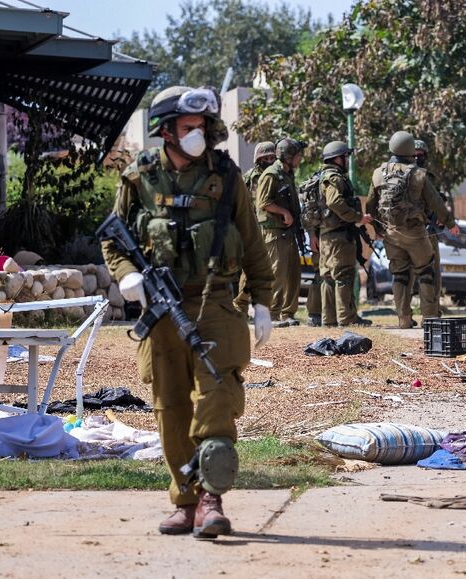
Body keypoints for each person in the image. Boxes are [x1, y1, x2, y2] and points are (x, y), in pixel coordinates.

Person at [101, 85, 274, 539]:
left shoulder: (226, 176)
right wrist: (125, 276)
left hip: (215, 301)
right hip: (160, 311)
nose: (197, 134)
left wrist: (261, 301)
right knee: (170, 406)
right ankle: (185, 500)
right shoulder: (139, 178)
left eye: (201, 126)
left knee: (216, 397)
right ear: (166, 132)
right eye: (187, 127)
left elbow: (253, 243)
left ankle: (212, 499)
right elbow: (112, 239)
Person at [366, 131, 459, 329]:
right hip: (416, 234)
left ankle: (404, 319)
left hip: (391, 234)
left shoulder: (378, 173)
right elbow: (435, 202)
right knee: (426, 272)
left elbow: (370, 206)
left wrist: (378, 229)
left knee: (399, 276)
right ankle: (430, 319)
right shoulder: (418, 174)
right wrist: (451, 223)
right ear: (409, 150)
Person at [317, 140, 373, 327]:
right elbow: (334, 202)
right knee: (343, 276)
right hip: (339, 237)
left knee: (328, 278)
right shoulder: (334, 178)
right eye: (345, 157)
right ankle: (346, 318)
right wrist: (357, 217)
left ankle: (329, 319)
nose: (347, 161)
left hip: (327, 235)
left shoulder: (322, 177)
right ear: (337, 159)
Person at [256, 138, 304, 327]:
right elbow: (263, 202)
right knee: (277, 273)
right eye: (298, 156)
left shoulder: (287, 175)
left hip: (288, 232)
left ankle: (288, 313)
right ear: (288, 156)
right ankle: (271, 314)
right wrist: (283, 212)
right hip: (274, 232)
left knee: (293, 272)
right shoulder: (271, 175)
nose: (300, 161)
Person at [233, 140, 276, 313]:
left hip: (270, 227)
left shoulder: (276, 176)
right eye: (266, 158)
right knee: (250, 268)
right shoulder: (250, 178)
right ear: (259, 159)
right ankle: (240, 305)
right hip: (252, 228)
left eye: (273, 157)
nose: (270, 160)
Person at [412, 139, 448, 309]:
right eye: (415, 155)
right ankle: (405, 313)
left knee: (432, 271)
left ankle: (433, 310)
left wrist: (441, 217)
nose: (418, 158)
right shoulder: (403, 177)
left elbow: (436, 201)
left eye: (421, 155)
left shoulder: (430, 177)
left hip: (429, 230)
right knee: (407, 274)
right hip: (409, 230)